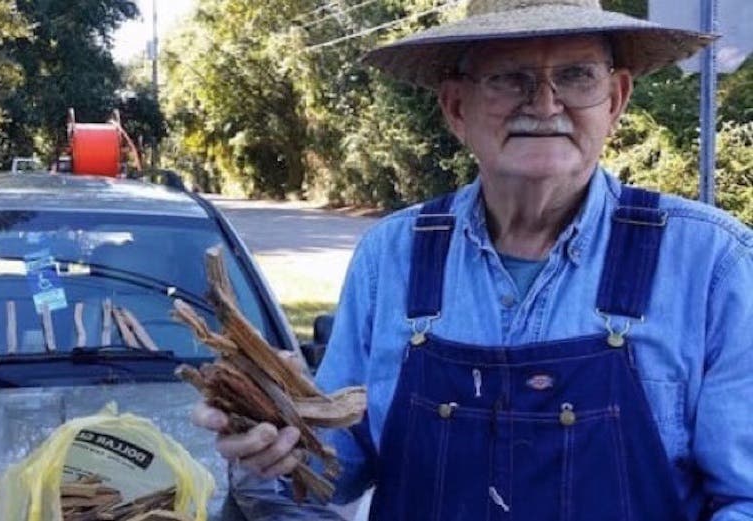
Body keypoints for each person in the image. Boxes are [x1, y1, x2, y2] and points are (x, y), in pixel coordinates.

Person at [192, 0, 753, 519]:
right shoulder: (393, 257)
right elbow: (336, 470)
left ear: (617, 99)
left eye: (576, 75)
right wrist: (277, 441)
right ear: (455, 107)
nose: (545, 103)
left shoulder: (710, 263)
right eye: (511, 78)